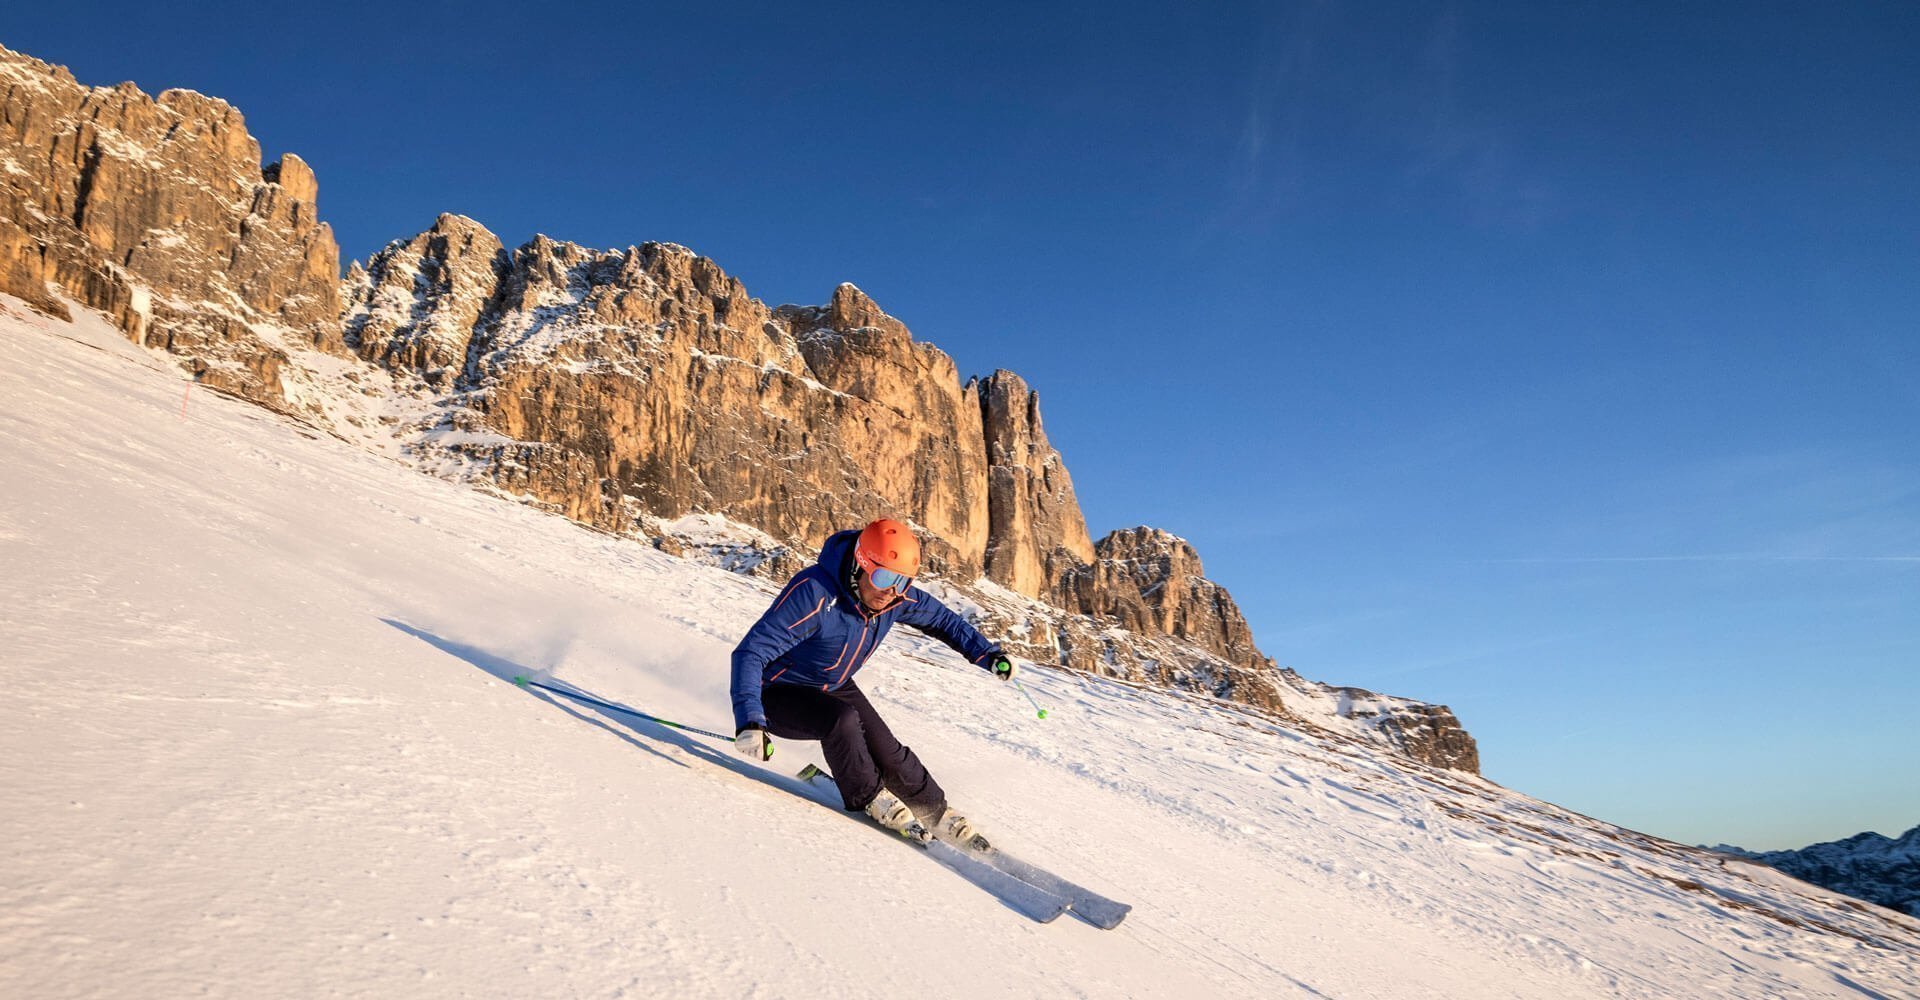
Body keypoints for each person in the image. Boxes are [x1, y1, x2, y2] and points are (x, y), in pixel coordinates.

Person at [730, 518, 1018, 845]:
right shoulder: (815, 593)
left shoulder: (894, 599)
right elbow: (751, 653)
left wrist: (989, 655)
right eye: (883, 577)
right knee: (841, 721)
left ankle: (934, 811)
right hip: (776, 692)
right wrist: (749, 720)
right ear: (860, 565)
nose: (892, 591)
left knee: (888, 750)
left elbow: (944, 621)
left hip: (832, 683)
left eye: (902, 581)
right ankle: (869, 797)